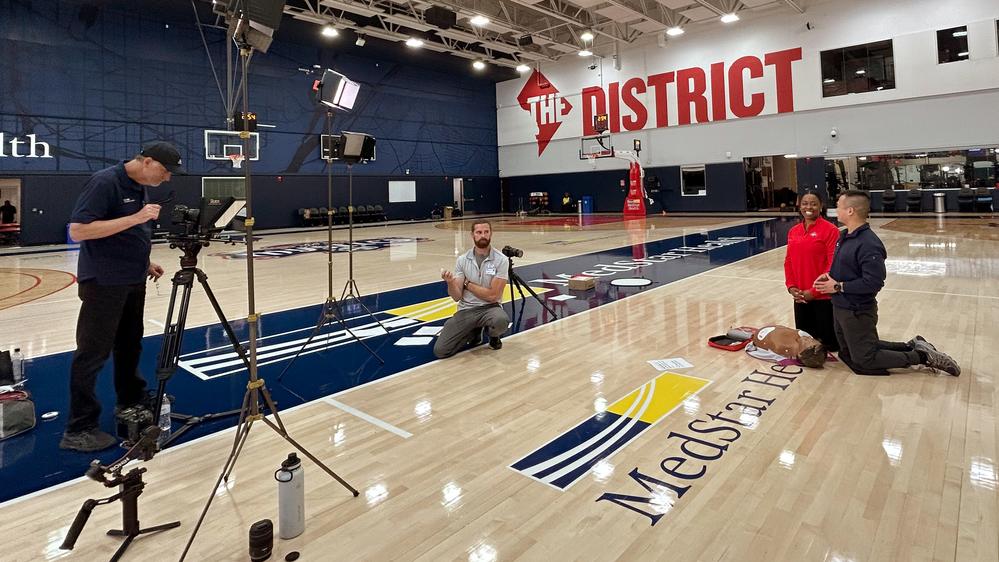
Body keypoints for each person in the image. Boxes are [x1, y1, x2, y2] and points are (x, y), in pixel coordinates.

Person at [60, 141, 182, 452]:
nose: (166, 178)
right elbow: (79, 231)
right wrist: (136, 218)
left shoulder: (139, 184)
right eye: (165, 171)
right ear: (148, 162)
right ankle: (79, 427)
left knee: (130, 344)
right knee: (93, 352)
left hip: (131, 279)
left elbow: (125, 236)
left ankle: (130, 398)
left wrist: (144, 262)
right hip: (104, 282)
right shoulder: (105, 182)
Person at [813, 190, 960, 376]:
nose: (836, 210)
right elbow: (844, 268)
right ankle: (912, 346)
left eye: (839, 206)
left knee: (865, 360)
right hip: (840, 305)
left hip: (856, 309)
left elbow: (873, 282)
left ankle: (922, 357)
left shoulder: (868, 243)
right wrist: (829, 275)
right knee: (848, 353)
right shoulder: (844, 237)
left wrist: (838, 286)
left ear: (850, 211)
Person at [433, 221, 510, 358]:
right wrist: (451, 283)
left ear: (491, 233)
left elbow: (493, 296)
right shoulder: (462, 260)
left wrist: (467, 284)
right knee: (441, 351)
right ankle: (474, 331)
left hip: (491, 308)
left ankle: (493, 335)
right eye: (479, 232)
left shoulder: (501, 260)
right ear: (472, 235)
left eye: (486, 232)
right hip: (467, 309)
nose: (483, 235)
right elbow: (456, 296)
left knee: (501, 321)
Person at [784, 191, 840, 352]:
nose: (809, 207)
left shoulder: (830, 230)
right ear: (799, 206)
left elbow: (832, 265)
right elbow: (789, 261)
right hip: (800, 297)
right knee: (806, 346)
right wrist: (791, 286)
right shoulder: (794, 231)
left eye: (814, 203)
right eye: (805, 203)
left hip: (823, 298)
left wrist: (814, 292)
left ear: (821, 206)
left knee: (829, 347)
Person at [745, 325, 827, 368]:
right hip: (768, 331)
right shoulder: (802, 336)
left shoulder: (782, 347)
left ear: (800, 353)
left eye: (808, 341)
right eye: (812, 340)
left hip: (763, 335)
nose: (809, 338)